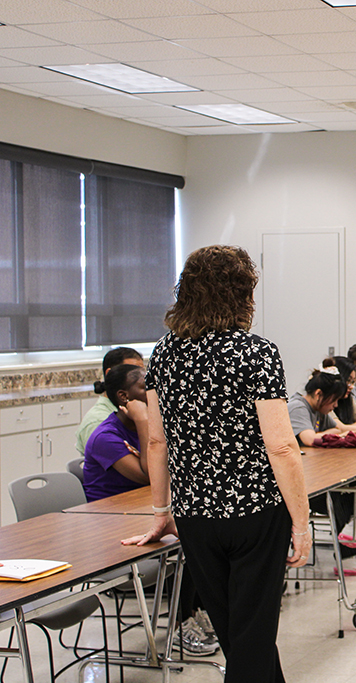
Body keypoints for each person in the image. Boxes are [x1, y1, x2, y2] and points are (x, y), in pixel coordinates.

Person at [122, 245, 310, 683]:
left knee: (241, 637)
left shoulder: (164, 354)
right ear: (243, 295)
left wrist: (161, 511)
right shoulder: (256, 352)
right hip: (255, 513)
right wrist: (301, 523)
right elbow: (282, 447)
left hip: (196, 517)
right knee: (251, 637)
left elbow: (157, 441)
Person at [86, 363, 218, 657]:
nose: (154, 391)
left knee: (199, 533)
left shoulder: (146, 427)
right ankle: (181, 624)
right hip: (112, 531)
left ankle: (196, 611)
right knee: (188, 544)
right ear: (124, 397)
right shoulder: (106, 436)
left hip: (141, 515)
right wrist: (145, 419)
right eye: (145, 387)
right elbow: (150, 474)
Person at [287, 363, 356, 577]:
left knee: (355, 480)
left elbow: (339, 429)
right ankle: (349, 555)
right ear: (319, 394)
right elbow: (309, 438)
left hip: (314, 476)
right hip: (301, 489)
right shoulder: (298, 407)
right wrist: (332, 434)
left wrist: (338, 433)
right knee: (339, 491)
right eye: (334, 400)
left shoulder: (319, 410)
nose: (335, 406)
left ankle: (355, 528)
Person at [75, 346, 144, 454]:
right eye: (134, 374)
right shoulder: (98, 422)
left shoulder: (132, 413)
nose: (141, 378)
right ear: (110, 373)